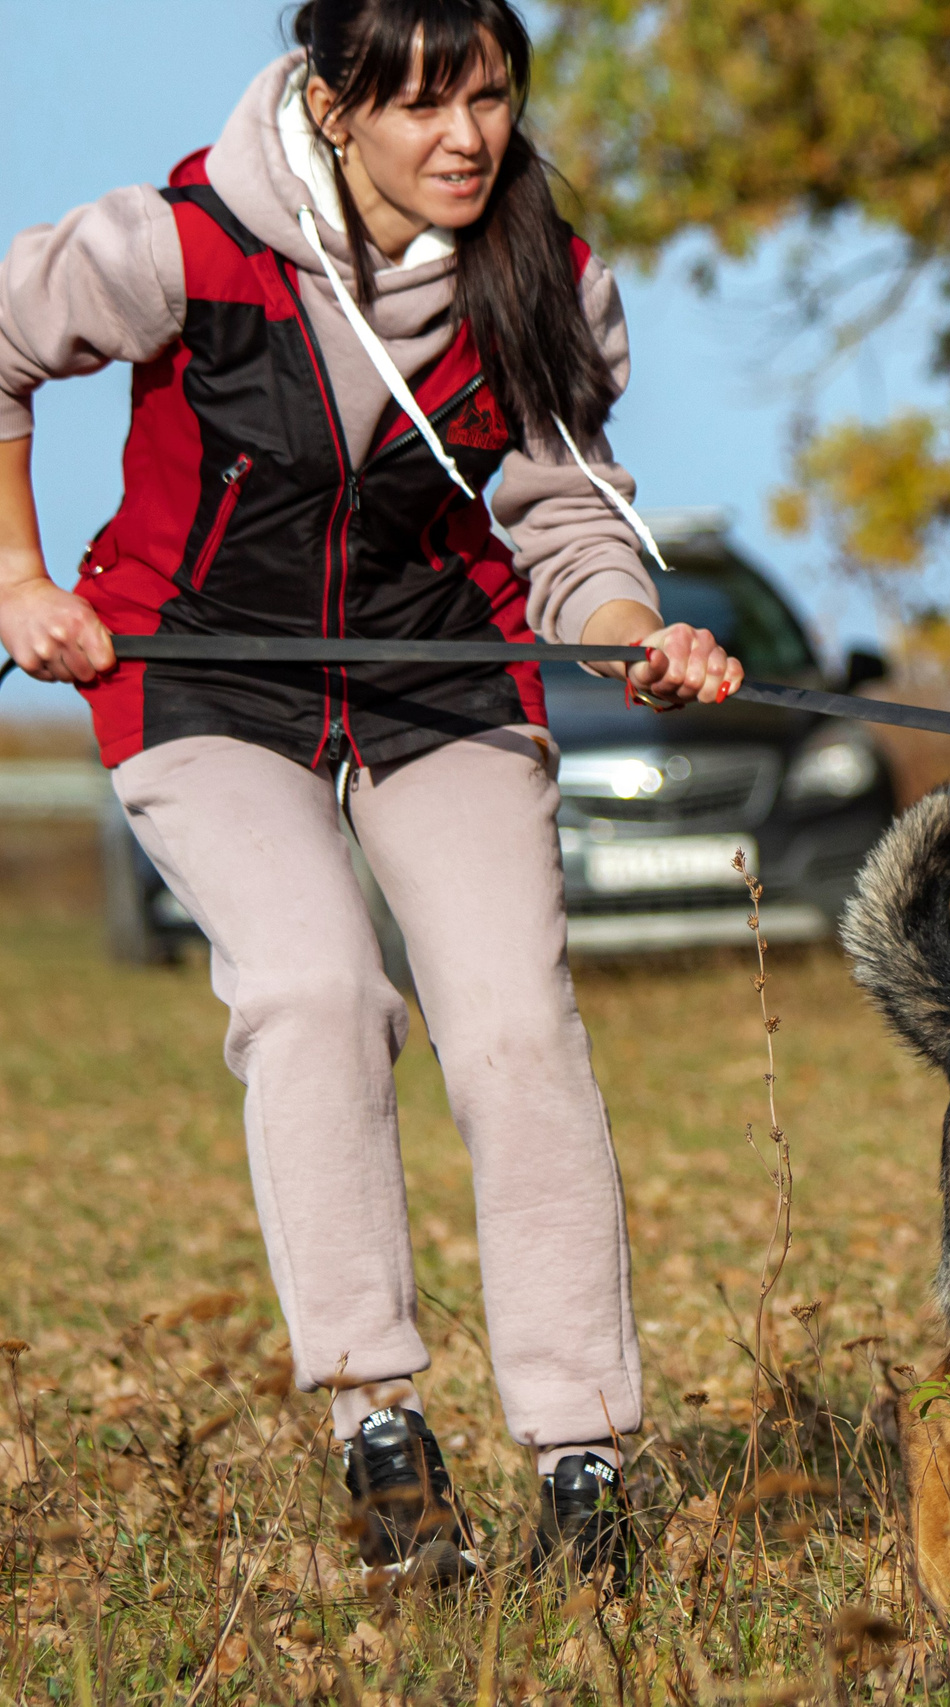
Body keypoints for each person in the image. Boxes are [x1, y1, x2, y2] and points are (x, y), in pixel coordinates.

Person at [0, 0, 744, 1585]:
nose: (465, 136)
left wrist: (633, 635)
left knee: (516, 1023)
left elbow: (565, 519)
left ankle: (583, 1457)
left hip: (436, 666)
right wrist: (14, 578)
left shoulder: (548, 275)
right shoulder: (174, 243)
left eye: (489, 95)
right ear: (335, 108)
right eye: (421, 104)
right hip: (201, 670)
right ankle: (377, 1428)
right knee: (317, 992)